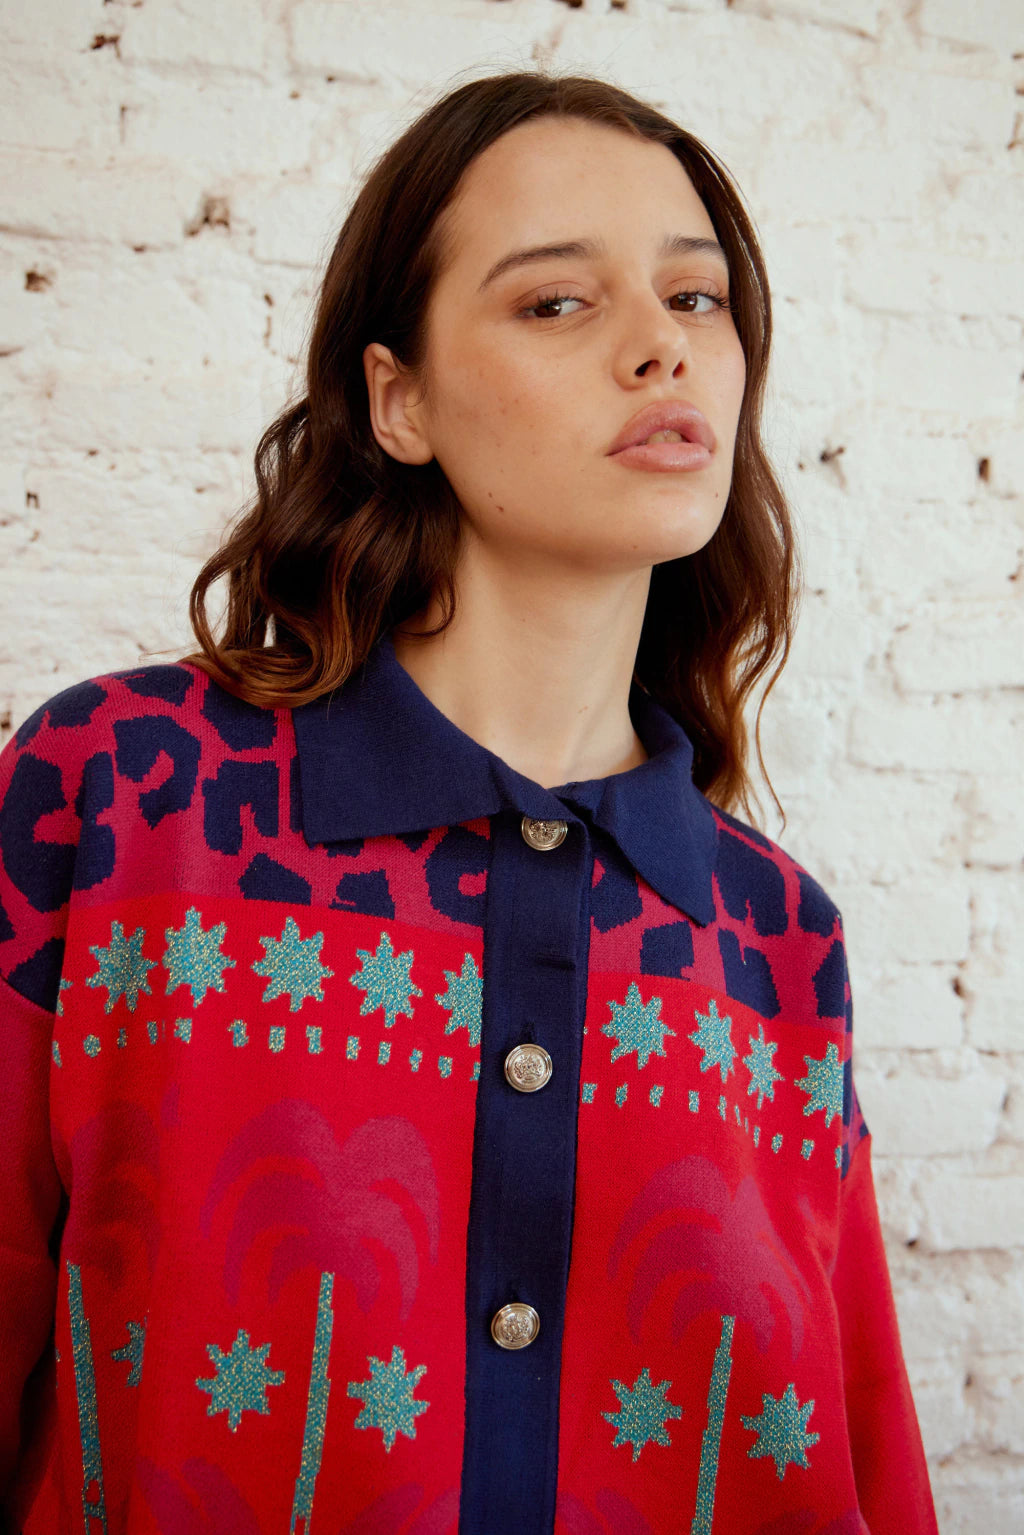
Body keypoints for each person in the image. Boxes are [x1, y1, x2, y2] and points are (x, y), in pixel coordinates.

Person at [0, 70, 938, 1535]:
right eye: (557, 302)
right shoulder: (120, 796)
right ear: (401, 400)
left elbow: (862, 1472)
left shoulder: (777, 943)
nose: (662, 347)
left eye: (696, 298)